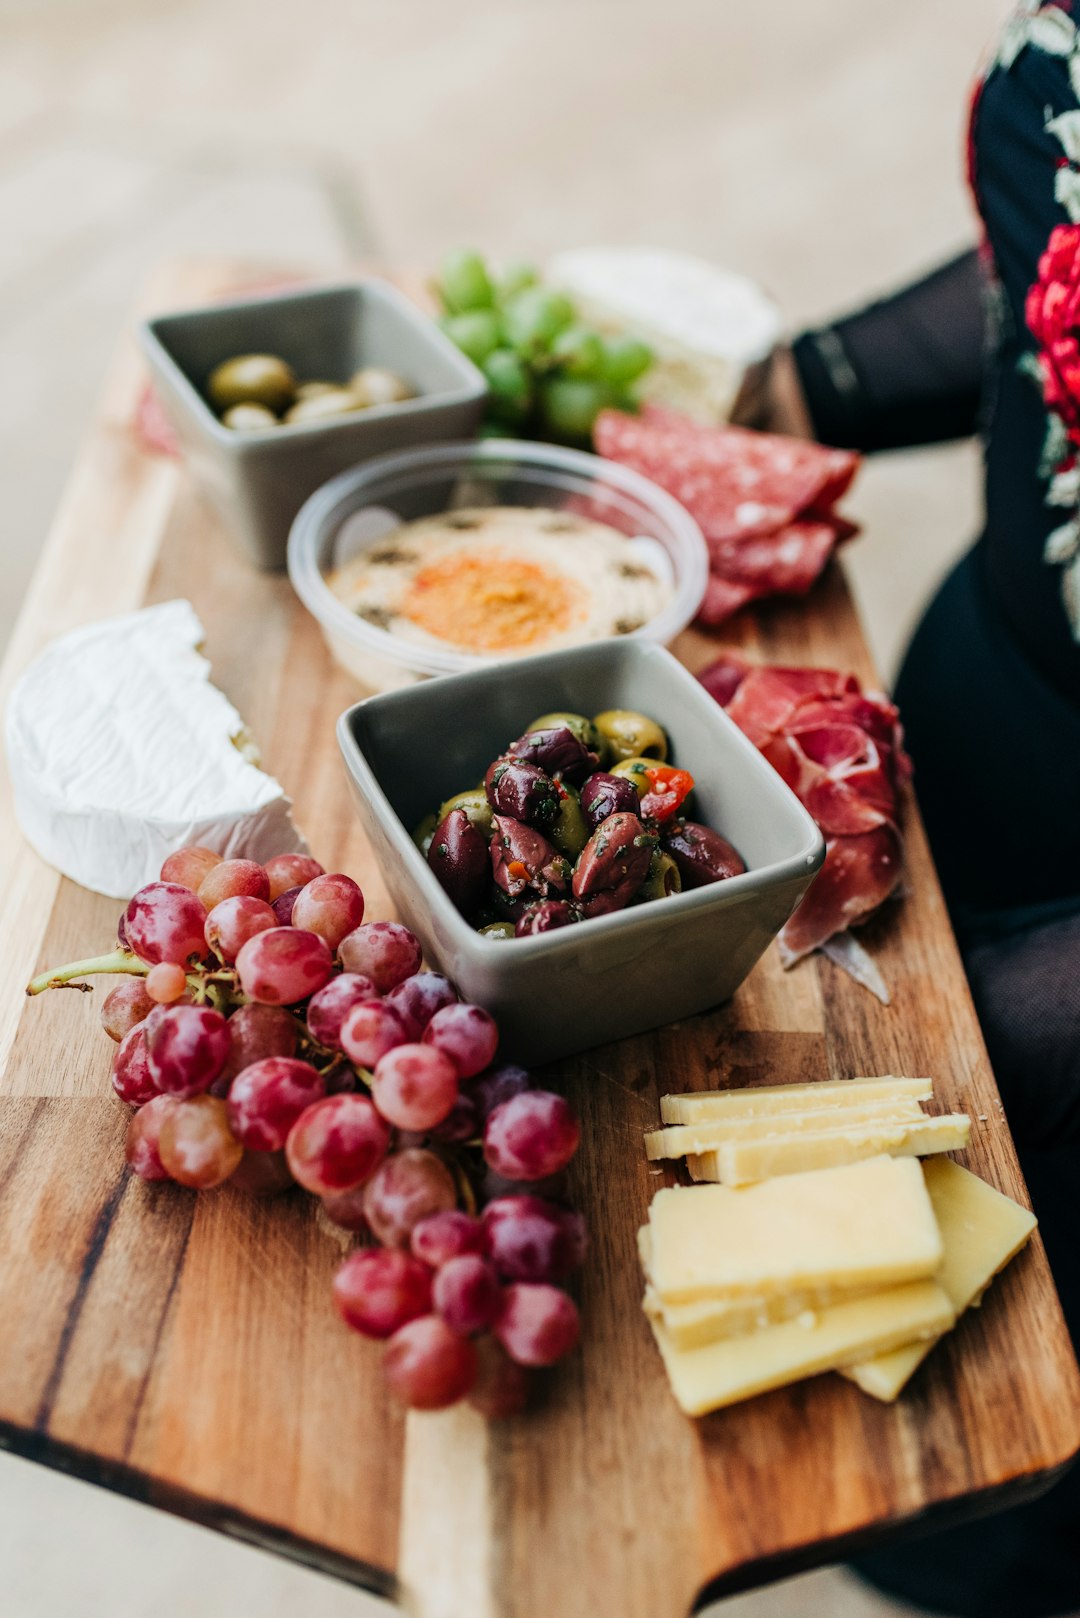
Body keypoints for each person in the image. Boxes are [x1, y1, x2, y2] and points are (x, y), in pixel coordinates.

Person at [744, 9, 1080, 1615]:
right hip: (988, 712)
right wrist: (803, 388)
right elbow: (1060, 257)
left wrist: (999, 1037)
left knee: (1013, 1462)